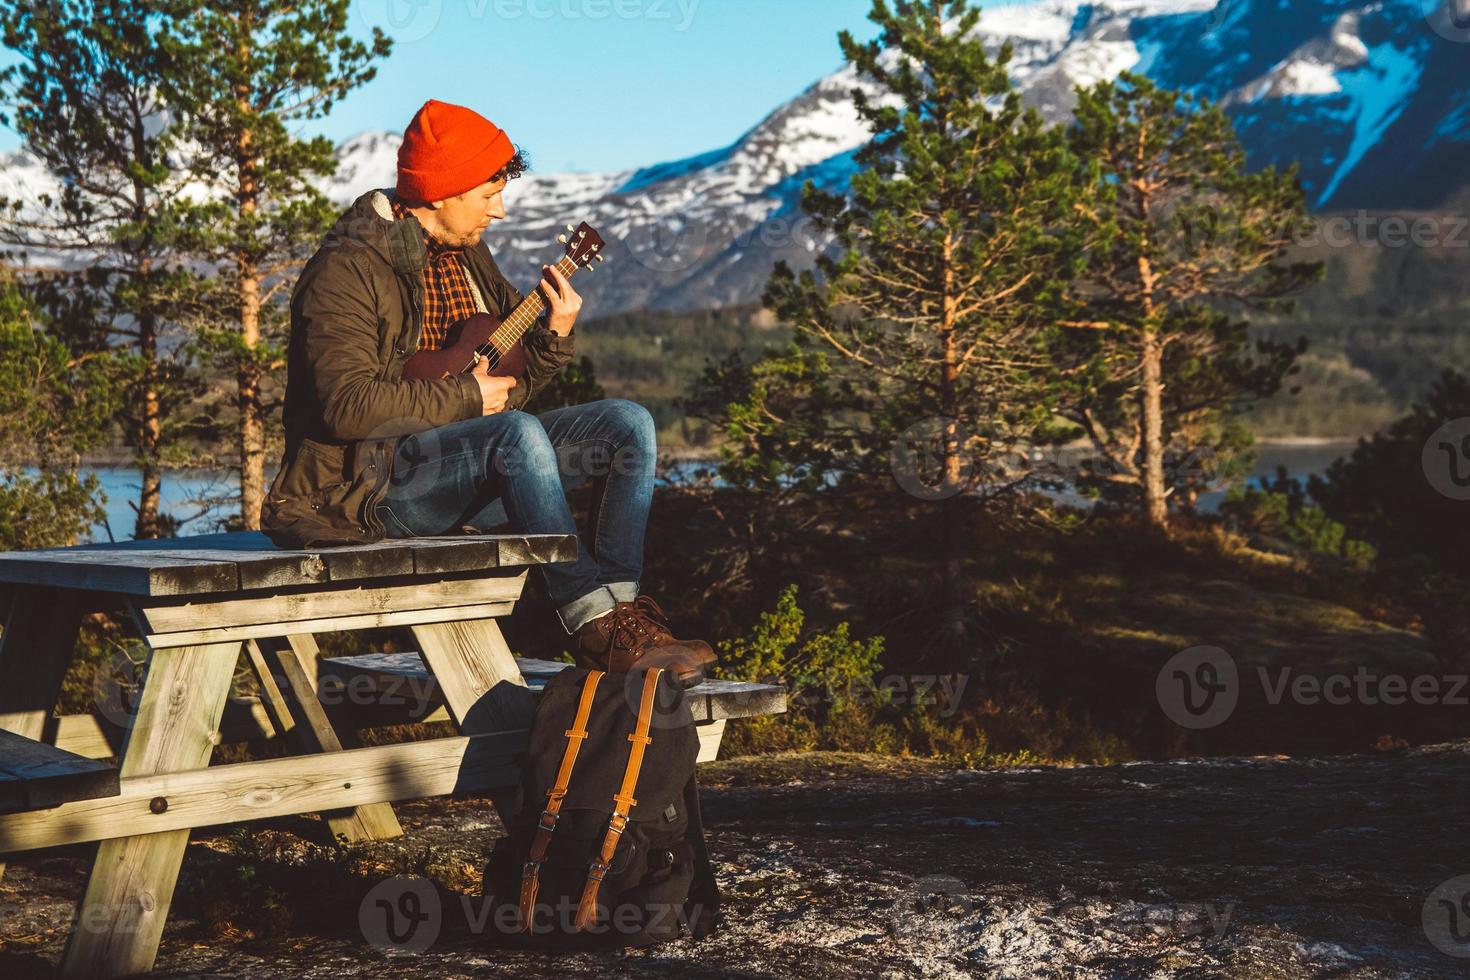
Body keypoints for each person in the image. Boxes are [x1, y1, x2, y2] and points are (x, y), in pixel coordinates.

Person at [261, 98, 716, 686]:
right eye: (487, 194)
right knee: (517, 433)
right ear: (442, 191)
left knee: (627, 424)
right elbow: (346, 406)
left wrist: (552, 341)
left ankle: (624, 616)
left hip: (458, 469)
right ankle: (590, 624)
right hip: (369, 492)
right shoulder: (347, 271)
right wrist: (466, 400)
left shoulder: (469, 256)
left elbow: (503, 390)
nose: (499, 212)